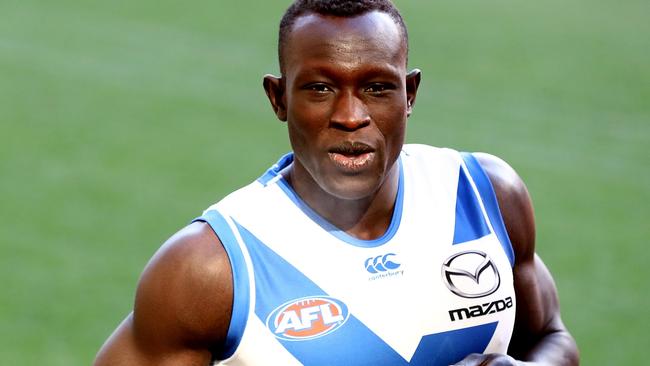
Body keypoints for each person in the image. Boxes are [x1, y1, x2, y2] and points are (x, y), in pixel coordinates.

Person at [94, 1, 579, 365]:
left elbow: (553, 338)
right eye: (320, 88)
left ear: (409, 94)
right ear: (279, 98)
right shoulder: (211, 268)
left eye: (376, 87)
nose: (350, 117)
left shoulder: (484, 194)